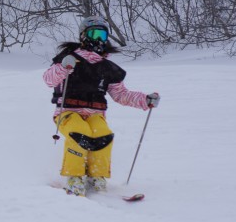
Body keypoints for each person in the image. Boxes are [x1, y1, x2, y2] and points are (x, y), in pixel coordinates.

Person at [43, 15, 160, 197]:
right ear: (83, 36)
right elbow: (49, 80)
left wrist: (145, 100)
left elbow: (121, 94)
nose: (98, 40)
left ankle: (96, 176)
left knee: (103, 135)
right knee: (79, 132)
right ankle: (74, 177)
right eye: (94, 34)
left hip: (95, 114)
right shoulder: (69, 59)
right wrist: (63, 68)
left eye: (103, 36)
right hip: (67, 112)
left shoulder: (107, 68)